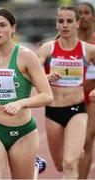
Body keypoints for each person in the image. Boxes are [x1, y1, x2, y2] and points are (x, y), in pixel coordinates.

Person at [0, 7, 53, 179]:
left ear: (13, 28)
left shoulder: (26, 57)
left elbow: (47, 95)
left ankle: (35, 166)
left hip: (23, 133)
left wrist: (21, 103)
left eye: (2, 25)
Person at [38, 5, 95, 179]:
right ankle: (76, 151)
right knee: (60, 164)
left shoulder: (87, 49)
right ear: (56, 24)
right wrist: (44, 77)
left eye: (69, 21)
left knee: (70, 164)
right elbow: (32, 74)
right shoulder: (48, 49)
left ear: (77, 23)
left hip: (77, 110)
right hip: (53, 111)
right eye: (60, 21)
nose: (64, 25)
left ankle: (75, 151)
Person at [78, 2, 95, 179]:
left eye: (86, 13)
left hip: (92, 96)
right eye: (79, 13)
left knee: (87, 141)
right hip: (70, 96)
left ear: (93, 17)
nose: (83, 16)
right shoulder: (66, 40)